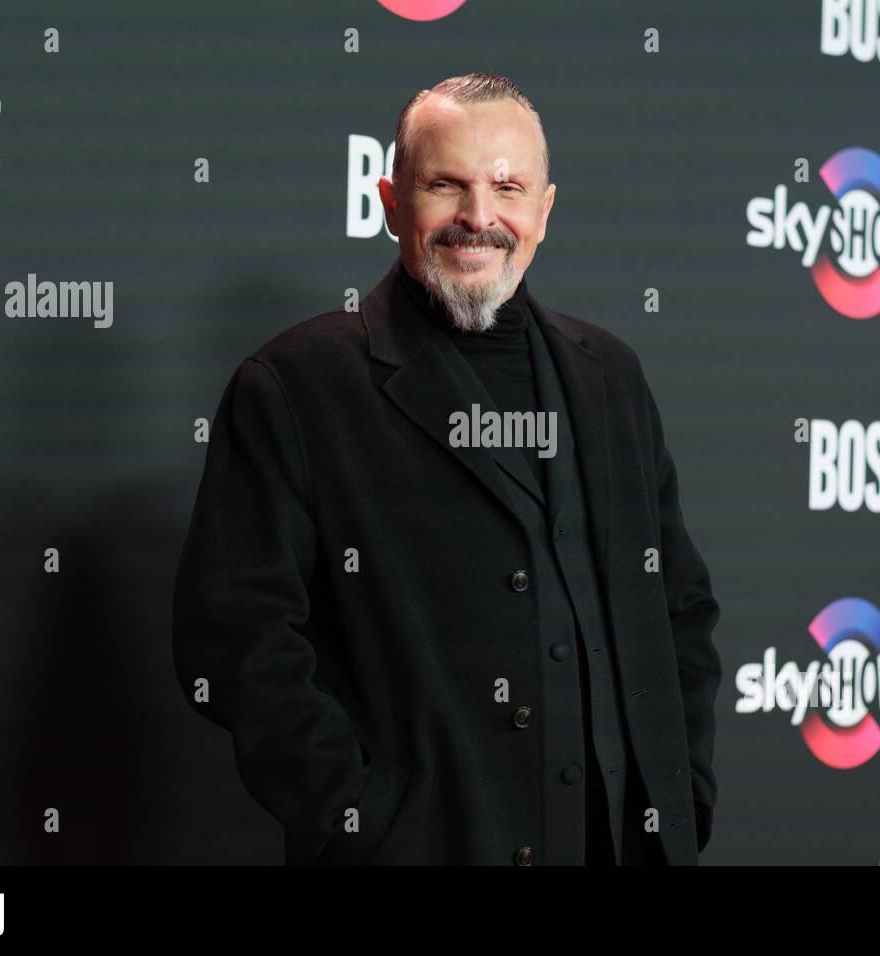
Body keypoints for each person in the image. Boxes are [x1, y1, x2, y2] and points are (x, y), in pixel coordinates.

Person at [172, 71, 721, 865]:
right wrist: (366, 821)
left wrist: (680, 794)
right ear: (392, 201)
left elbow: (679, 604)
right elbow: (232, 640)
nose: (478, 217)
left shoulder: (611, 375)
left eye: (507, 187)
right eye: (446, 185)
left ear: (544, 211)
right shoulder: (298, 384)